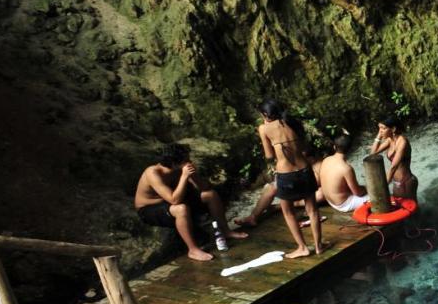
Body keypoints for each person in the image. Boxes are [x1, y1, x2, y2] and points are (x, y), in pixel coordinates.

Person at [133, 143, 248, 261]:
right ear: (173, 163)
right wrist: (184, 176)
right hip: (149, 209)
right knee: (181, 208)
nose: (189, 161)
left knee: (210, 195)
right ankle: (193, 250)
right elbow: (174, 200)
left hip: (173, 200)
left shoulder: (180, 168)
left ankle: (225, 231)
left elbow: (204, 188)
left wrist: (193, 176)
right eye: (186, 160)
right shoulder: (153, 173)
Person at [257, 99, 325, 258]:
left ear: (265, 114)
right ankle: (318, 246)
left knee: (288, 212)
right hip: (305, 170)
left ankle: (302, 247)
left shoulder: (264, 128)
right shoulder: (293, 122)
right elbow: (303, 147)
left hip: (286, 174)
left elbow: (269, 155)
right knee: (313, 210)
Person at [316, 134, 370, 214]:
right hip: (343, 205)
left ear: (334, 147)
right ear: (351, 149)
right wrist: (367, 189)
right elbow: (357, 192)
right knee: (376, 195)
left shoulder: (326, 160)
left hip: (330, 201)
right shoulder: (346, 168)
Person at [370, 116, 418, 200]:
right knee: (400, 206)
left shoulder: (402, 142)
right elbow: (373, 153)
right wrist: (379, 135)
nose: (380, 131)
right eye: (379, 128)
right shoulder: (390, 140)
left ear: (393, 129)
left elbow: (393, 167)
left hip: (406, 182)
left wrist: (383, 187)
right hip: (396, 181)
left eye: (383, 128)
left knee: (411, 209)